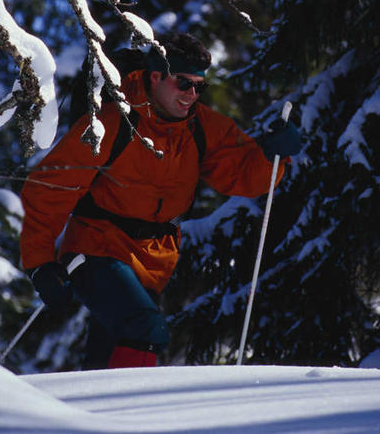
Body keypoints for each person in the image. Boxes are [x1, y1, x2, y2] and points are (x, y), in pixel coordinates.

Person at [20, 33, 301, 369]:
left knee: (108, 355)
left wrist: (273, 155)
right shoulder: (113, 120)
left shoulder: (203, 127)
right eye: (183, 84)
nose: (192, 95)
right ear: (155, 77)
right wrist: (39, 263)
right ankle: (127, 417)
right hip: (96, 247)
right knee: (146, 330)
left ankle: (86, 417)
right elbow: (50, 187)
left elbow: (242, 176)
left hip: (154, 260)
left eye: (199, 87)